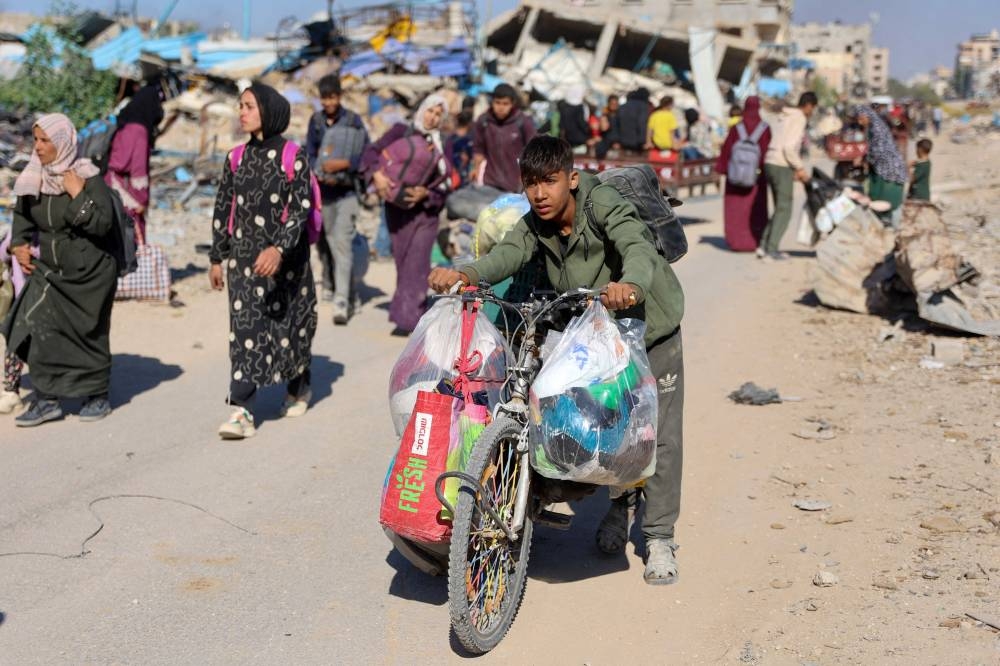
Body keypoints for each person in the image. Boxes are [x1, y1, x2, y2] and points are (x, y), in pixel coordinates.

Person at [427, 136, 686, 586]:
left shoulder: (601, 204)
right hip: (591, 332)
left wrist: (631, 284)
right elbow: (508, 253)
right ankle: (617, 507)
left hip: (648, 326)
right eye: (530, 184)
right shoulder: (536, 221)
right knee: (603, 427)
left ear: (571, 178)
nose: (540, 194)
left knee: (656, 432)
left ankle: (660, 536)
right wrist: (465, 273)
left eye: (549, 182)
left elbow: (637, 246)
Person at [209, 83, 318, 439]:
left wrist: (279, 248)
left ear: (268, 111)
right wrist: (216, 256)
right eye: (240, 106)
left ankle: (297, 386)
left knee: (292, 330)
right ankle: (241, 410)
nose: (241, 112)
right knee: (245, 335)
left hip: (287, 265)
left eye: (249, 106)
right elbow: (223, 207)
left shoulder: (293, 156)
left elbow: (300, 209)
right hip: (243, 263)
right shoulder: (235, 158)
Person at [2, 113, 118, 426]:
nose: (37, 147)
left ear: (63, 143)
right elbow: (23, 214)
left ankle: (96, 395)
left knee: (86, 334)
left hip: (89, 272)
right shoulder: (33, 175)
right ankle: (46, 399)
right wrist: (20, 244)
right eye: (36, 140)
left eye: (45, 141)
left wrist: (78, 194)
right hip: (49, 268)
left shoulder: (87, 176)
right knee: (31, 323)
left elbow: (103, 224)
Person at [362, 94, 454, 336]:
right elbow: (371, 153)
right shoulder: (400, 131)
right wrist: (377, 176)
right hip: (396, 209)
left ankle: (410, 320)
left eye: (438, 114)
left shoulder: (443, 143)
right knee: (403, 261)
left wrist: (427, 193)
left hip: (426, 213)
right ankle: (407, 309)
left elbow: (449, 181)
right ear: (421, 109)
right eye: (430, 111)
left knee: (417, 261)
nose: (432, 117)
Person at [305, 74, 370, 324]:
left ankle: (343, 300)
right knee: (323, 245)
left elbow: (367, 154)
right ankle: (332, 284)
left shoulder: (354, 122)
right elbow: (310, 153)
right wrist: (320, 172)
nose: (329, 103)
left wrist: (345, 164)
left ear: (340, 97)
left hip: (347, 193)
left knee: (341, 244)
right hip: (322, 195)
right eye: (324, 98)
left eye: (332, 97)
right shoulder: (317, 121)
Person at [762, 92, 817, 260]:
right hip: (781, 164)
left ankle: (764, 245)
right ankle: (771, 249)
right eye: (813, 108)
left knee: (779, 207)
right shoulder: (799, 117)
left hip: (770, 161)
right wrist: (799, 168)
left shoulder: (783, 114)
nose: (812, 112)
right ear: (808, 105)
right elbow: (789, 147)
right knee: (785, 209)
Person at [104, 85, 164, 239]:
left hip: (109, 185)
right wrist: (142, 201)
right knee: (132, 241)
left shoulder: (124, 123)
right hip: (126, 192)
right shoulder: (139, 131)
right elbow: (139, 171)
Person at [715, 96, 771, 252]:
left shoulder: (736, 128)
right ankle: (755, 241)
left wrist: (723, 170)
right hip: (756, 178)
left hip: (735, 178)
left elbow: (726, 151)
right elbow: (767, 152)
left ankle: (736, 242)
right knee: (755, 210)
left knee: (735, 210)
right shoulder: (765, 129)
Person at [472, 84, 537, 193]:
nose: (501, 108)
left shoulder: (523, 122)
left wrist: (527, 175)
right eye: (497, 103)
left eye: (505, 104)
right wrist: (475, 169)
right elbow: (478, 149)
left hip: (517, 185)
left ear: (512, 104)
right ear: (492, 102)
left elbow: (534, 151)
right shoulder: (483, 121)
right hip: (490, 183)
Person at [853, 104, 908, 224]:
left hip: (889, 168)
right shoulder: (872, 127)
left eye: (861, 119)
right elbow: (872, 149)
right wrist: (864, 157)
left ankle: (888, 222)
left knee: (886, 199)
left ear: (867, 116)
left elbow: (879, 151)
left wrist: (865, 159)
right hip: (880, 167)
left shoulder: (876, 127)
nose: (860, 122)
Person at [0, 230, 31, 414]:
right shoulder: (19, 227)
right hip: (20, 299)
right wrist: (12, 247)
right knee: (15, 342)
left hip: (50, 300)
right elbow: (2, 252)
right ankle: (11, 392)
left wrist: (31, 252)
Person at [445, 110, 475, 187]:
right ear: (469, 123)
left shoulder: (450, 137)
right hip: (464, 172)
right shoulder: (470, 139)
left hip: (451, 170)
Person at [616, 88, 650, 153]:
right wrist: (642, 141)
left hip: (622, 141)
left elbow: (617, 123)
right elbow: (641, 123)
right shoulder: (643, 106)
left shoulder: (622, 106)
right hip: (636, 142)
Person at [557, 86, 590, 154]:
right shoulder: (579, 107)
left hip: (568, 140)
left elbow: (561, 126)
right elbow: (581, 122)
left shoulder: (564, 108)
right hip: (580, 140)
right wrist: (588, 130)